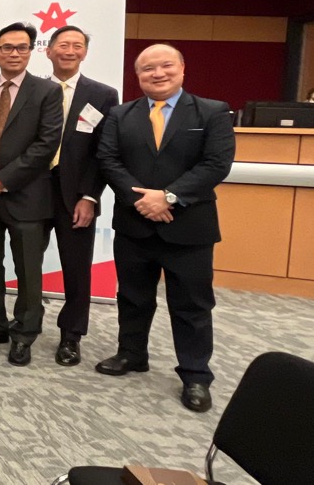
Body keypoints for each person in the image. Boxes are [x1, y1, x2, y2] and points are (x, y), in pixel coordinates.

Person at [95, 44, 235, 413]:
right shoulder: (120, 115)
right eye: (147, 69)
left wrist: (168, 197)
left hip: (188, 227)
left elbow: (217, 164)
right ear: (137, 76)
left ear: (182, 69)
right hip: (134, 222)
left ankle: (195, 374)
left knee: (191, 304)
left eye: (165, 66)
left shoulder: (211, 112)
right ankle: (132, 354)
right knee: (133, 296)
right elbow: (108, 159)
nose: (157, 73)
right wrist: (142, 200)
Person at [0, 22, 63, 367]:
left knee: (27, 270)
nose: (14, 53)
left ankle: (24, 333)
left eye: (22, 47)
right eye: (7, 47)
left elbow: (47, 143)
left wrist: (3, 179)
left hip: (26, 196)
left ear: (31, 51)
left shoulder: (47, 92)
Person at [41, 26, 119, 366]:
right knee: (27, 263)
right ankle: (24, 325)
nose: (69, 50)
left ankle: (71, 336)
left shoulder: (102, 94)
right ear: (49, 51)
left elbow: (105, 151)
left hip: (77, 196)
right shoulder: (35, 90)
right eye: (62, 45)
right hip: (33, 191)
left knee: (76, 268)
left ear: (85, 53)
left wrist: (91, 196)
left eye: (76, 46)